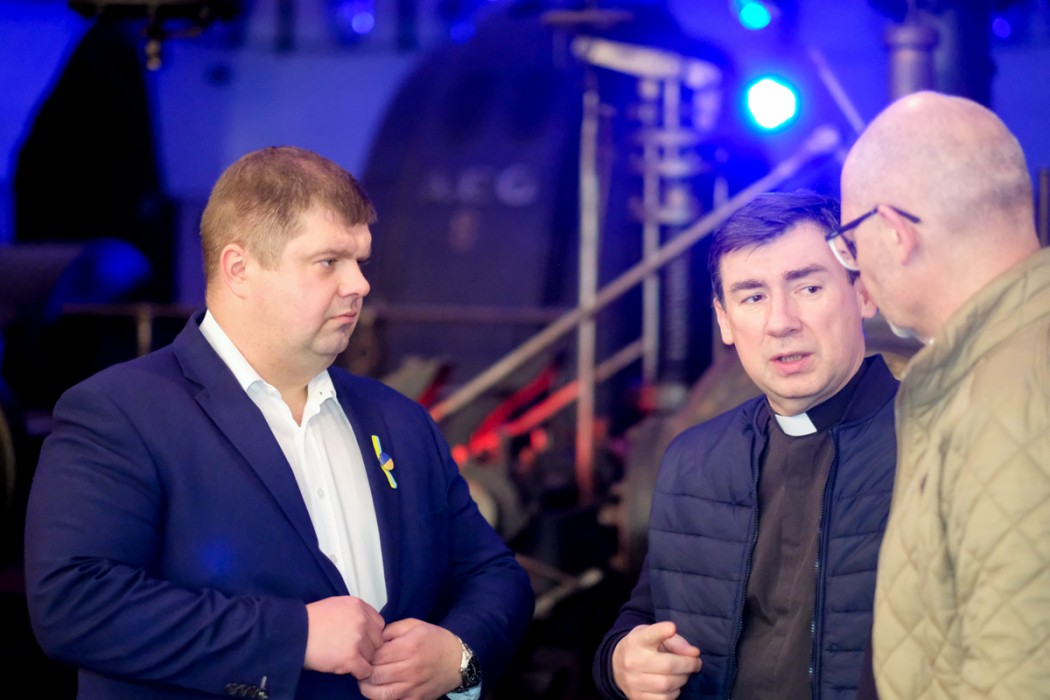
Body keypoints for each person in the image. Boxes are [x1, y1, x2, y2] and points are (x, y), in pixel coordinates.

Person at [23, 146, 534, 700]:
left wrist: (459, 657)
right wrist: (295, 637)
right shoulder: (119, 412)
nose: (359, 284)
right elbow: (75, 604)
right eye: (329, 262)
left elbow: (494, 574)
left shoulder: (401, 419)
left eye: (360, 261)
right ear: (239, 269)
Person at [593, 190, 899, 699]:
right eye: (753, 297)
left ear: (863, 293)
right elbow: (647, 615)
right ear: (724, 320)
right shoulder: (694, 460)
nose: (781, 322)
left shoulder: (930, 443)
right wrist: (621, 663)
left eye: (808, 287)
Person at [836, 91, 1050, 698]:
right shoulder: (1000, 362)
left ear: (894, 232)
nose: (856, 271)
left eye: (850, 243)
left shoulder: (1008, 399)